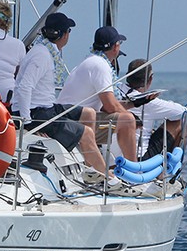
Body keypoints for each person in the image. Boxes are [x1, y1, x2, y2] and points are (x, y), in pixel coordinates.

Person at [11, 12, 109, 175]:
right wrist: (27, 123)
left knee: (89, 113)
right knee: (86, 133)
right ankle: (106, 177)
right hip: (36, 113)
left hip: (46, 107)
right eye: (69, 31)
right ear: (63, 35)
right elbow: (25, 87)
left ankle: (89, 167)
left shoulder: (45, 51)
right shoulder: (41, 56)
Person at [57, 25, 138, 162]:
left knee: (125, 117)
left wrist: (134, 103)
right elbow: (111, 106)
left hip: (68, 118)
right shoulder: (101, 65)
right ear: (115, 47)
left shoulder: (90, 61)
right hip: (74, 122)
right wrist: (132, 116)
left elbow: (105, 106)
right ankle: (134, 170)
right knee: (128, 120)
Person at [125, 58, 187, 159]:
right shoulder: (148, 101)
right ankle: (168, 170)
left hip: (112, 156)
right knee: (179, 123)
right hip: (139, 158)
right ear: (150, 79)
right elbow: (183, 112)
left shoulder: (113, 94)